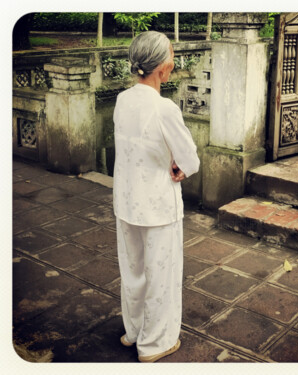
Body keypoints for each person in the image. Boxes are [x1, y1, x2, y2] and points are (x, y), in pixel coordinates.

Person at [113, 31, 200, 363]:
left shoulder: (123, 99)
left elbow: (136, 145)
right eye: (171, 55)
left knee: (133, 272)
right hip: (159, 207)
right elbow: (189, 158)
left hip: (126, 200)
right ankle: (155, 343)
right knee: (161, 275)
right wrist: (179, 167)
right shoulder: (163, 108)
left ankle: (133, 331)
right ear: (164, 68)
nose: (173, 61)